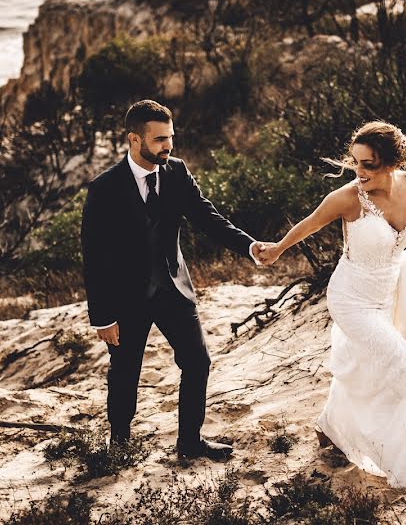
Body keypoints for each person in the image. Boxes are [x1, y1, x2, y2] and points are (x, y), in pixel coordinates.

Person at [257, 121, 406, 487]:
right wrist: (276, 249)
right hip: (351, 298)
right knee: (403, 363)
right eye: (355, 162)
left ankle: (329, 427)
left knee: (364, 365)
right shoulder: (348, 198)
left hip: (389, 293)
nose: (360, 172)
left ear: (392, 162)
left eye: (368, 164)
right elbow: (310, 224)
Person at [80, 99, 267, 460]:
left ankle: (190, 442)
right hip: (125, 300)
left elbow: (208, 218)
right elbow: (94, 257)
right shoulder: (103, 189)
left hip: (174, 290)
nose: (168, 146)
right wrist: (101, 316)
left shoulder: (177, 172)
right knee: (124, 373)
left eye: (170, 138)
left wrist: (249, 245)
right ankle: (119, 445)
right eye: (159, 139)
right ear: (134, 140)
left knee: (198, 363)